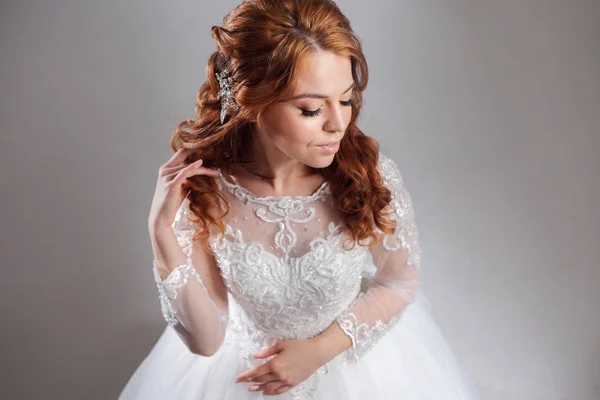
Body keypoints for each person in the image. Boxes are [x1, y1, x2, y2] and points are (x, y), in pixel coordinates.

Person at [119, 0, 480, 398]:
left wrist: (317, 353)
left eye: (344, 100)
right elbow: (207, 342)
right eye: (310, 109)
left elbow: (398, 283)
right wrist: (161, 235)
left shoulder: (366, 176)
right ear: (250, 101)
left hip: (355, 376)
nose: (338, 124)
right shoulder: (207, 192)